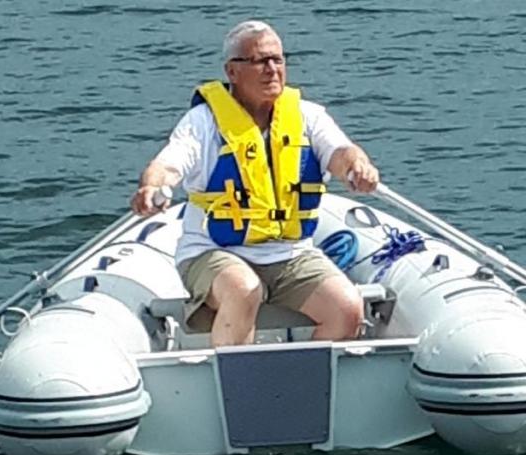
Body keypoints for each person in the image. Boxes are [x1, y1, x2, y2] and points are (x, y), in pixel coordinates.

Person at [130, 20, 380, 347]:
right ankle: (238, 388)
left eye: (278, 60)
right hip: (213, 251)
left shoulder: (308, 116)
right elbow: (167, 165)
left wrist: (358, 167)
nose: (272, 69)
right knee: (243, 290)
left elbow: (341, 152)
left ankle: (295, 384)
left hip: (290, 253)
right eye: (260, 61)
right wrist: (152, 188)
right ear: (232, 71)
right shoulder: (203, 123)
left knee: (346, 308)